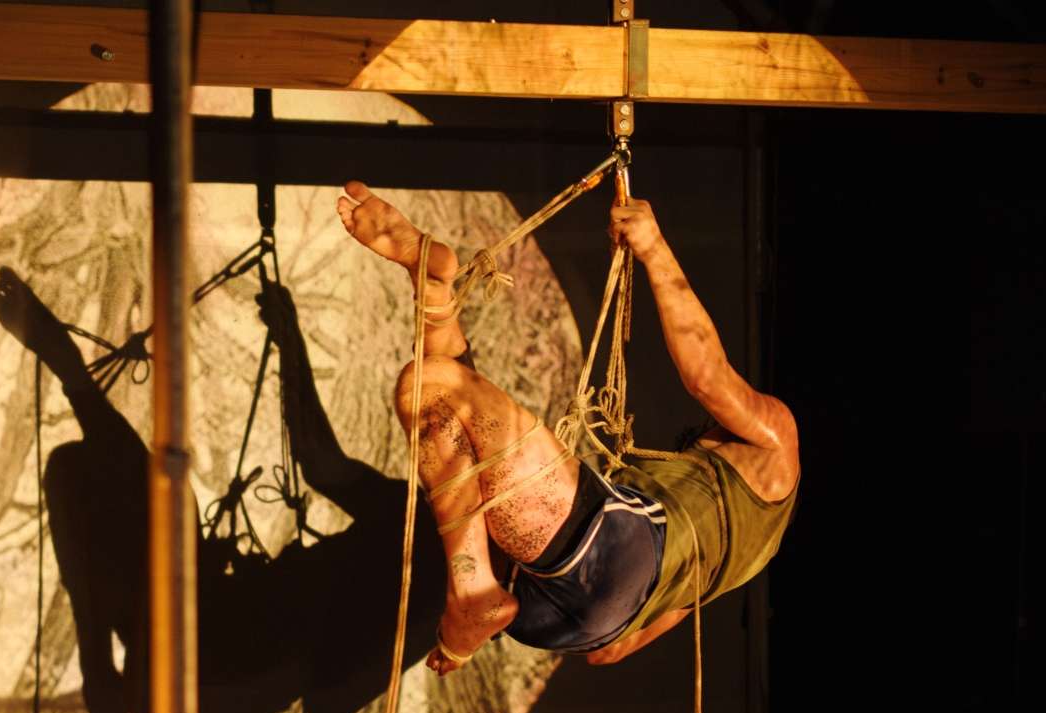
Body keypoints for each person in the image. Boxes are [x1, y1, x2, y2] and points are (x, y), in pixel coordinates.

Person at [335, 182, 800, 671]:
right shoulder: (741, 560)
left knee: (431, 385)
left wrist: (655, 250)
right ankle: (429, 283)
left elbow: (707, 378)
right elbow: (608, 652)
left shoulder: (779, 446)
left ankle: (471, 591)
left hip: (613, 554)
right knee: (448, 407)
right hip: (565, 621)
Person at [0, 266, 445, 713]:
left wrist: (299, 609)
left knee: (83, 475)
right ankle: (70, 371)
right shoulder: (415, 515)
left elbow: (327, 700)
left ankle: (101, 674)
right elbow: (319, 460)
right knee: (157, 494)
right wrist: (290, 341)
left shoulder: (436, 595)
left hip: (229, 672)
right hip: (224, 629)